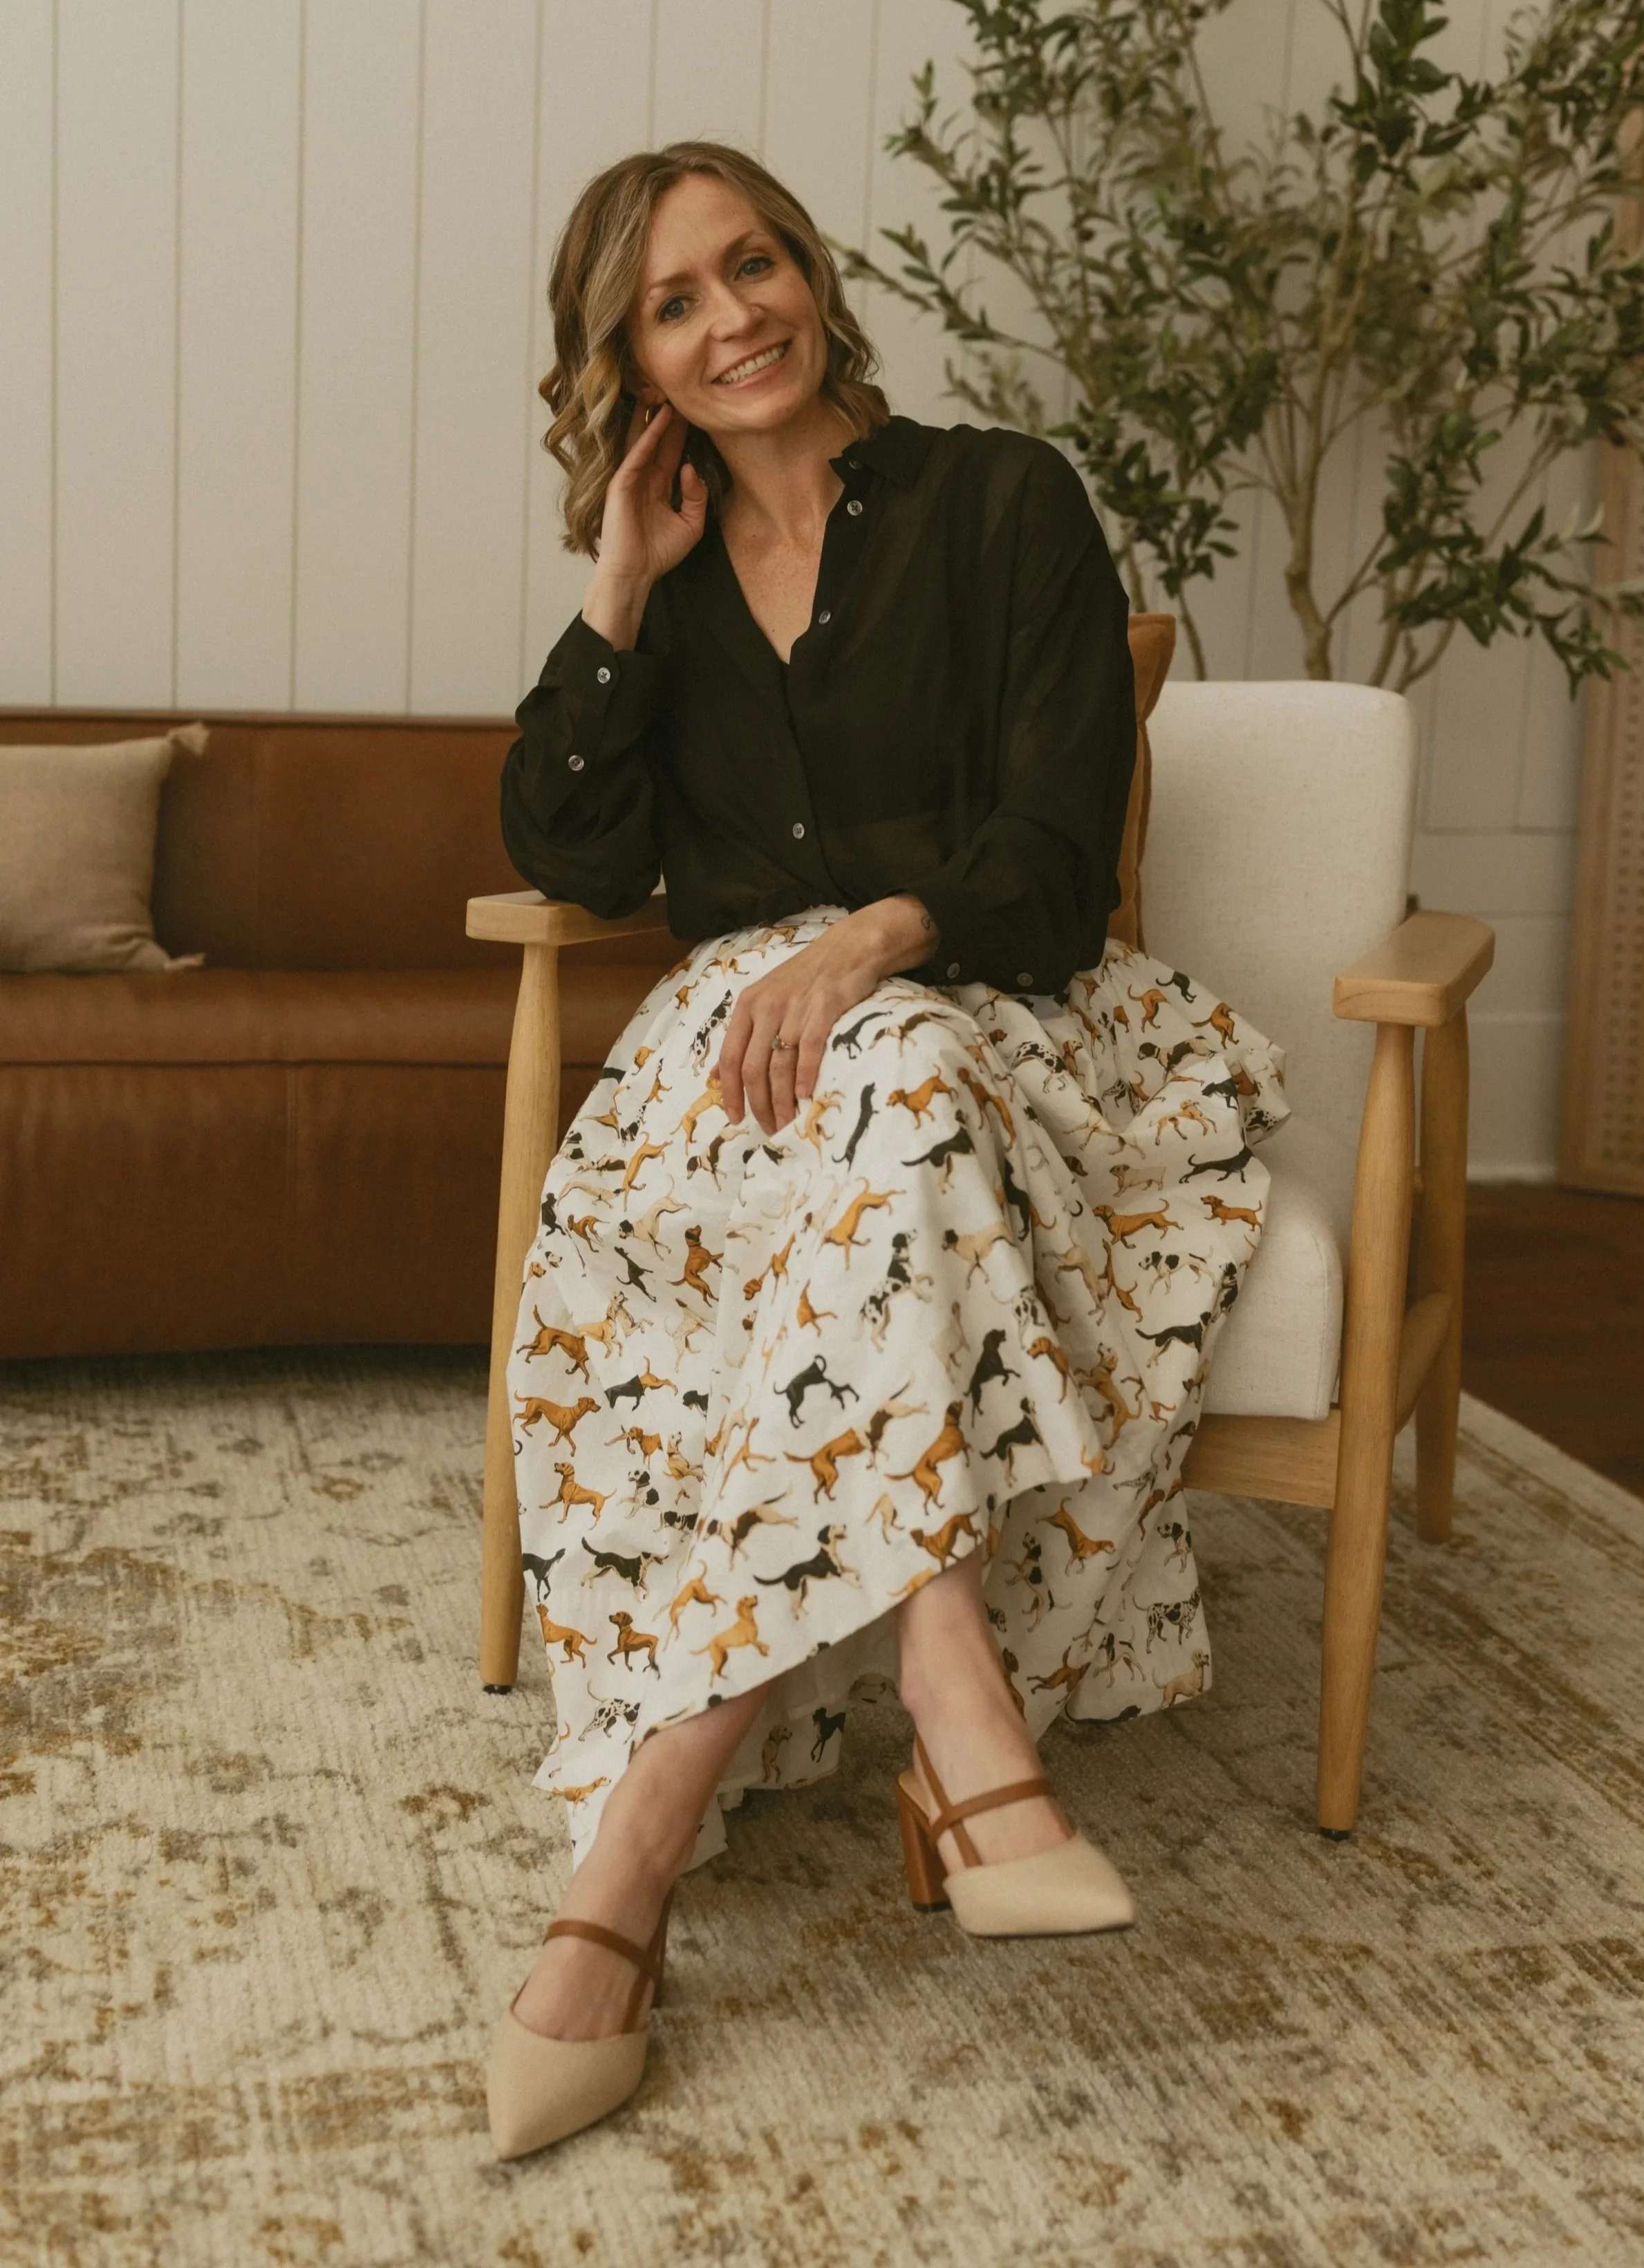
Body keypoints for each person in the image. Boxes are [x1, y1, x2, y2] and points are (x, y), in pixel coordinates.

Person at [485, 140, 1288, 2162]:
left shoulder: (1001, 498)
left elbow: (1051, 847)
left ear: (813, 277)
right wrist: (615, 582)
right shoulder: (656, 578)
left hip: (995, 1017)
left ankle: (631, 1865)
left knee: (906, 1078)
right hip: (733, 1087)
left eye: (747, 265)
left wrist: (869, 941)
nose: (727, 315)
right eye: (671, 302)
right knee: (865, 1103)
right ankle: (957, 1708)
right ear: (632, 360)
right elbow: (566, 856)